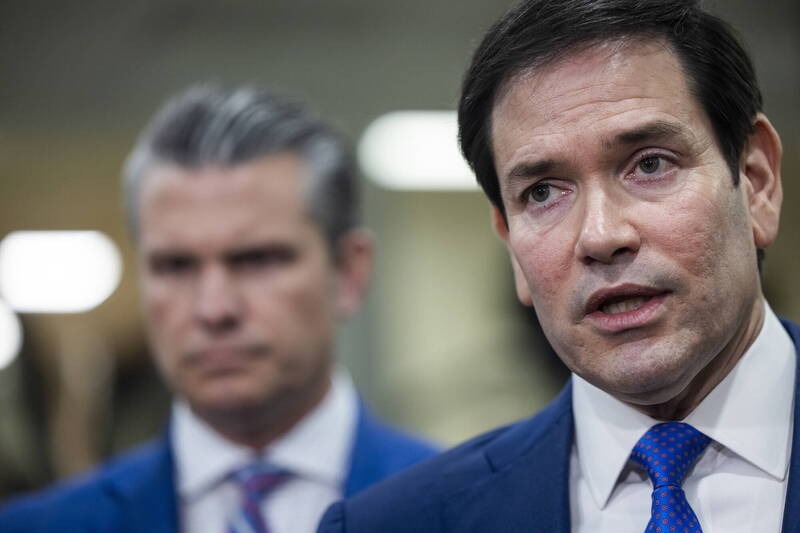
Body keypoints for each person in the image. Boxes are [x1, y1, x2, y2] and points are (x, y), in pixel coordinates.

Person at [317, 0, 797, 531]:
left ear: (756, 181)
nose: (600, 236)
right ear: (509, 244)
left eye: (650, 164)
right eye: (543, 193)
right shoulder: (395, 523)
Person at [0, 85, 438, 533]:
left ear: (348, 272)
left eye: (257, 260)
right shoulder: (37, 528)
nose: (214, 309)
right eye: (175, 265)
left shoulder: (465, 511)